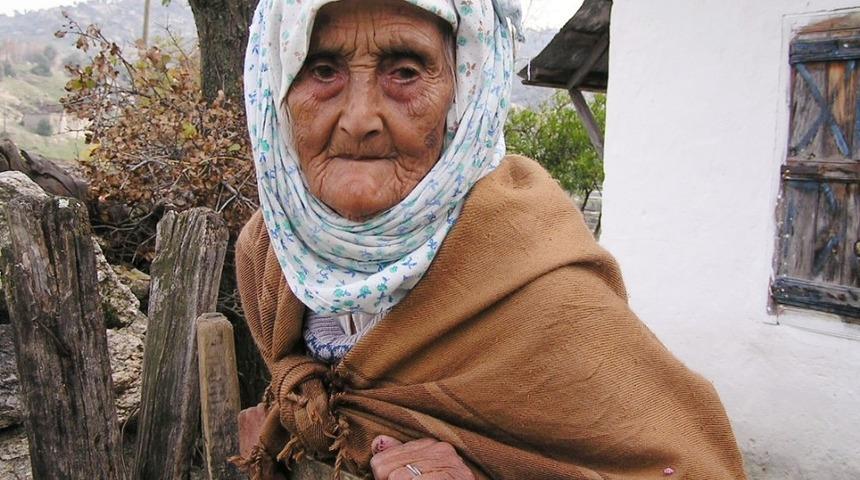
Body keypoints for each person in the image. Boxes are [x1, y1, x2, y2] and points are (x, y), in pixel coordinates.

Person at [233, 0, 748, 478]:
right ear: (276, 85)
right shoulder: (269, 256)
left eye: (406, 72)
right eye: (323, 71)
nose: (361, 119)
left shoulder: (550, 300)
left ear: (467, 94)